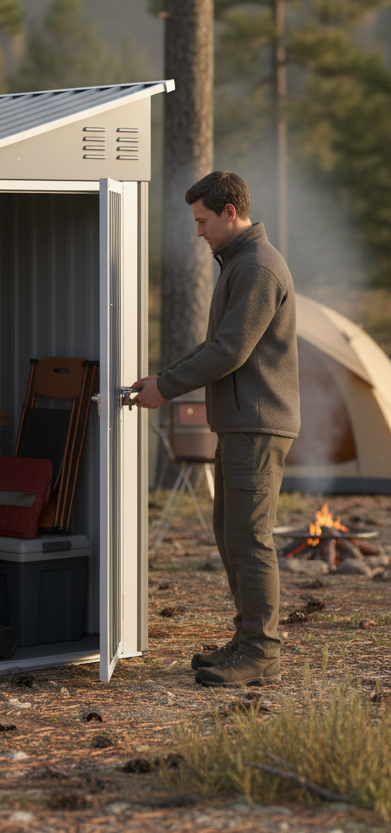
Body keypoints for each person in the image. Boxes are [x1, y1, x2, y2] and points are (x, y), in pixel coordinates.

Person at [133, 171, 299, 687]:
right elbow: (217, 347)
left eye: (203, 220)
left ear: (230, 212)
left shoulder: (257, 267)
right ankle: (247, 639)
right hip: (240, 425)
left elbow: (230, 351)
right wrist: (163, 377)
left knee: (249, 538)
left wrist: (167, 388)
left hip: (257, 425)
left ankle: (260, 652)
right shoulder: (239, 264)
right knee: (232, 536)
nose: (199, 231)